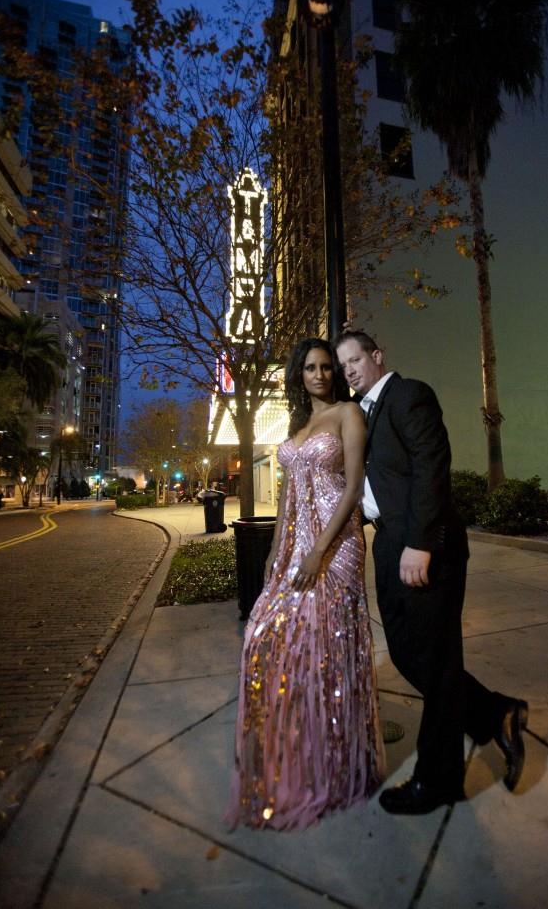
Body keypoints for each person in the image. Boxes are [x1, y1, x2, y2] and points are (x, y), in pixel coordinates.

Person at [334, 329, 528, 816]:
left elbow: (431, 468)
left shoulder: (409, 394)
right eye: (344, 366)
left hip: (423, 546)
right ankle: (494, 712)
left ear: (377, 356)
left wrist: (421, 544)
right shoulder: (363, 411)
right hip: (389, 541)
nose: (350, 370)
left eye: (355, 360)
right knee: (406, 653)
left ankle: (438, 780)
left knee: (437, 662)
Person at [226, 338, 384, 830]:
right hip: (295, 545)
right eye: (311, 368)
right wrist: (277, 547)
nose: (320, 374)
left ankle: (336, 768)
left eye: (326, 367)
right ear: (299, 375)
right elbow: (291, 495)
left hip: (337, 545)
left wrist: (319, 550)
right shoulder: (297, 427)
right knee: (263, 636)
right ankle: (298, 756)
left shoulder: (347, 416)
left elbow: (354, 487)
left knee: (328, 648)